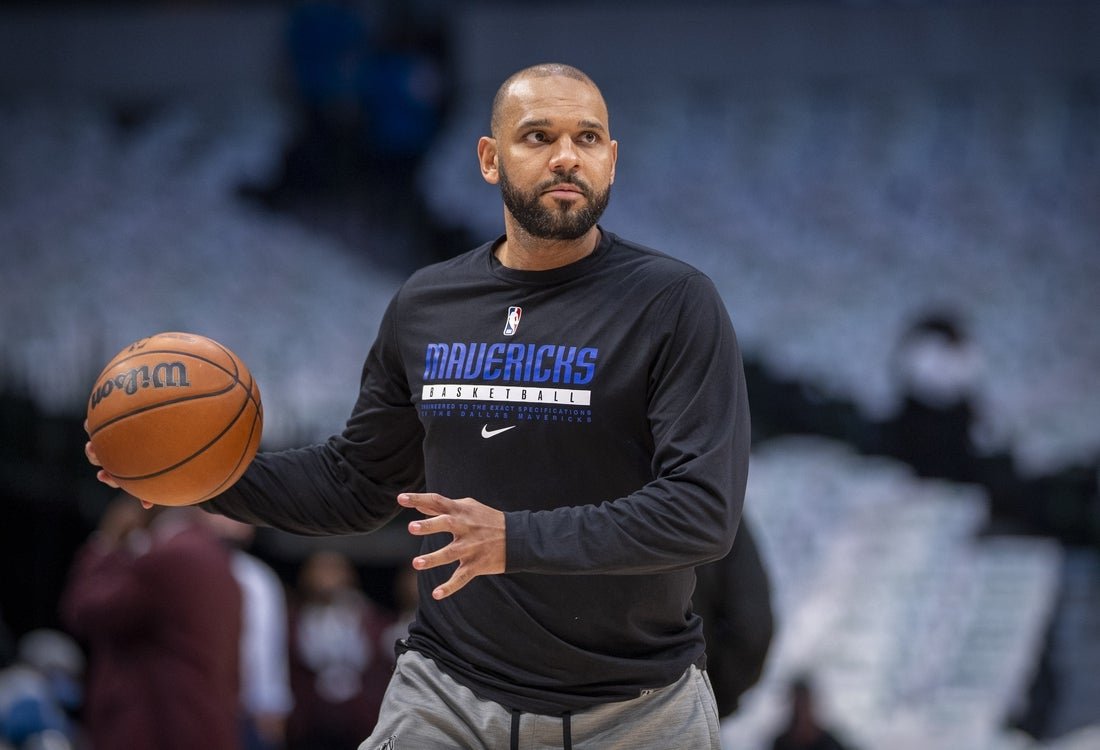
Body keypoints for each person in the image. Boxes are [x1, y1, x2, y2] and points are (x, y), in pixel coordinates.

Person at [88, 62, 752, 749]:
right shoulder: (428, 304)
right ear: (489, 159)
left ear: (611, 160)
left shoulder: (674, 304)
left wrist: (513, 540)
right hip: (448, 694)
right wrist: (196, 476)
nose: (566, 157)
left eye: (587, 138)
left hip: (634, 710)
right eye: (537, 136)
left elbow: (701, 512)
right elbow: (356, 484)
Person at [58, 496, 243, 750]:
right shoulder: (216, 558)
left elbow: (86, 609)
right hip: (203, 724)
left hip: (158, 728)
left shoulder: (168, 557)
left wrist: (106, 544)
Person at [284, 551, 395, 750]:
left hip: (360, 719)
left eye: (334, 570)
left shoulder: (370, 618)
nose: (327, 577)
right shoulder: (292, 620)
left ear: (349, 575)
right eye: (320, 570)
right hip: (309, 720)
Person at [202, 515, 295, 750]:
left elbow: (268, 647)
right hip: (199, 701)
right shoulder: (180, 565)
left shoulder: (258, 577)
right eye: (229, 515)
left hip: (249, 710)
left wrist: (273, 703)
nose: (239, 523)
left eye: (244, 517)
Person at [770, 675, 851, 750]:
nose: (801, 710)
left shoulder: (829, 743)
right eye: (798, 703)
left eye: (803, 703)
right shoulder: (781, 743)